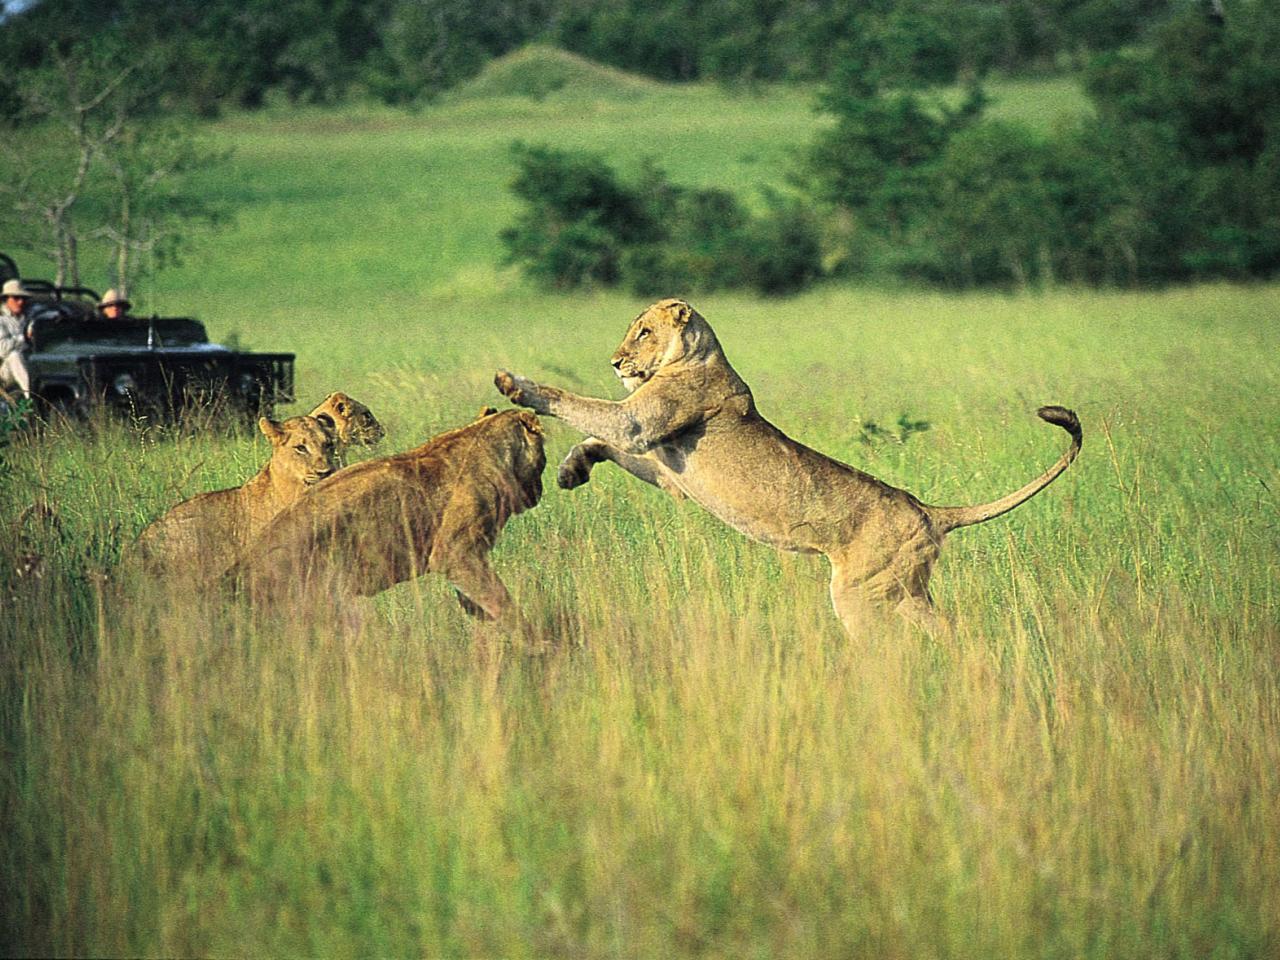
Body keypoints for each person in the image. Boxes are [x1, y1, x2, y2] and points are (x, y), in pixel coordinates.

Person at [0, 278, 33, 399]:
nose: (20, 302)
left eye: (23, 298)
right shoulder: (1, 320)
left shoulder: (26, 318)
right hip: (3, 371)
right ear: (6, 299)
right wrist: (24, 338)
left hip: (27, 362)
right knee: (14, 356)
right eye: (15, 298)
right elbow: (2, 349)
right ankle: (30, 397)